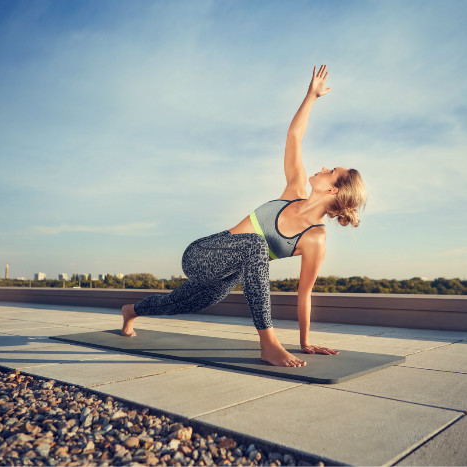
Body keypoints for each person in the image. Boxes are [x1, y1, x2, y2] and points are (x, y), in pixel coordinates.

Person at [121, 65, 367, 368]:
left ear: (333, 192)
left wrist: (304, 342)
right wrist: (311, 97)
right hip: (204, 252)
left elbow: (304, 293)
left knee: (175, 303)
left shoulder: (315, 239)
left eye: (331, 172)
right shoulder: (292, 190)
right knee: (255, 246)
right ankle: (269, 344)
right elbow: (295, 136)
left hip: (226, 279)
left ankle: (130, 311)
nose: (325, 167)